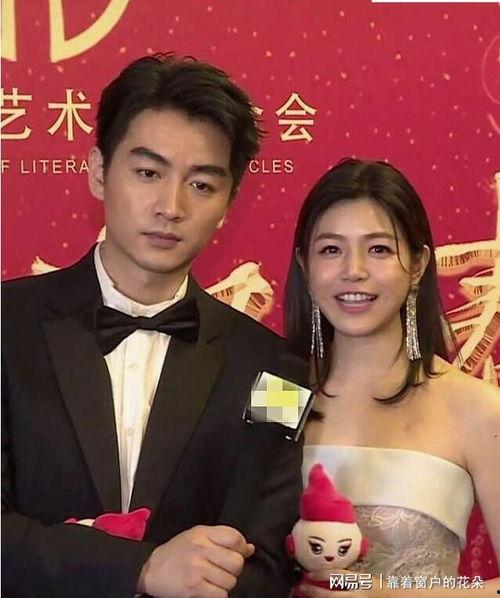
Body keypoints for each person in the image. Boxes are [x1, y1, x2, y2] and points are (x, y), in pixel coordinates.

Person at [1, 53, 306, 598]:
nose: (171, 206)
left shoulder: (277, 371)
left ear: (229, 202)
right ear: (99, 172)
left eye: (202, 185)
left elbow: (265, 561)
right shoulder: (7, 325)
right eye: (148, 173)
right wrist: (138, 569)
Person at [284, 158, 500, 596]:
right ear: (305, 266)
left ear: (418, 264)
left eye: (379, 249)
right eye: (331, 250)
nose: (354, 271)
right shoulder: (278, 391)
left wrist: (393, 594)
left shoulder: (475, 408)